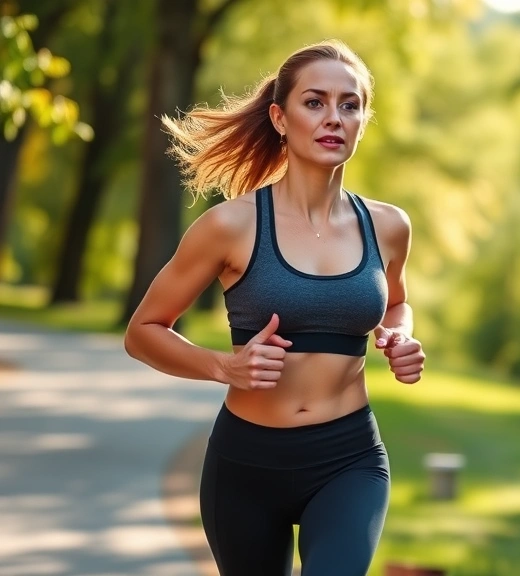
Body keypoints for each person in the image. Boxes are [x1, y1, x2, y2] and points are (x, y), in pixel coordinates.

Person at [123, 40, 425, 576]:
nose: (334, 117)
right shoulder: (230, 227)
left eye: (349, 104)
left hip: (348, 459)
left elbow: (396, 304)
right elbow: (143, 331)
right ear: (280, 118)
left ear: (362, 120)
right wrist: (224, 365)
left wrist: (399, 338)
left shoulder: (388, 226)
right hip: (246, 465)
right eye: (315, 102)